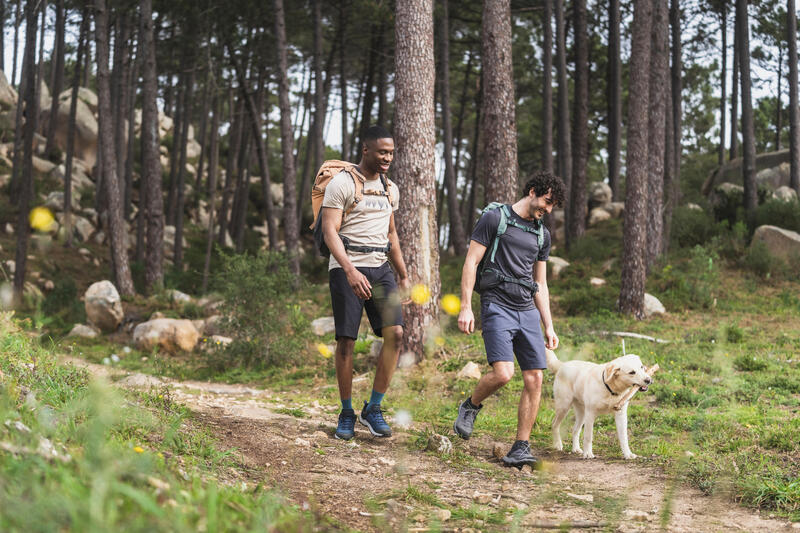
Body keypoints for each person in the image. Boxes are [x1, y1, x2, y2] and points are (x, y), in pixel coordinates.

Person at [453, 171, 566, 468]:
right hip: (496, 304)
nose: (548, 210)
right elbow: (471, 262)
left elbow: (540, 282)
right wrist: (466, 306)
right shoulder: (495, 219)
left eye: (553, 206)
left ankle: (520, 447)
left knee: (535, 377)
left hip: (526, 307)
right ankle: (470, 405)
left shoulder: (542, 234)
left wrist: (549, 325)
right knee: (503, 374)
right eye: (546, 201)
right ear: (532, 191)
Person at [321, 125, 410, 440]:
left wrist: (403, 274)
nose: (388, 158)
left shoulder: (390, 188)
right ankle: (346, 412)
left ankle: (373, 408)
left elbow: (392, 235)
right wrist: (349, 269)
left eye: (391, 153)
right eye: (383, 152)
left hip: (380, 266)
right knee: (346, 340)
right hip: (347, 265)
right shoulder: (341, 183)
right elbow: (329, 230)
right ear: (366, 150)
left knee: (396, 335)